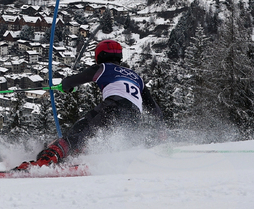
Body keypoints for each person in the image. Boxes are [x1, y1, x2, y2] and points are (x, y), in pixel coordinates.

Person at [15, 39, 163, 170]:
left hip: (113, 106)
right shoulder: (136, 77)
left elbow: (71, 81)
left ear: (99, 56)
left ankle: (44, 162)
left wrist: (65, 87)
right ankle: (85, 159)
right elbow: (155, 110)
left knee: (78, 132)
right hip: (134, 117)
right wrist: (162, 132)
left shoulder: (103, 68)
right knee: (102, 138)